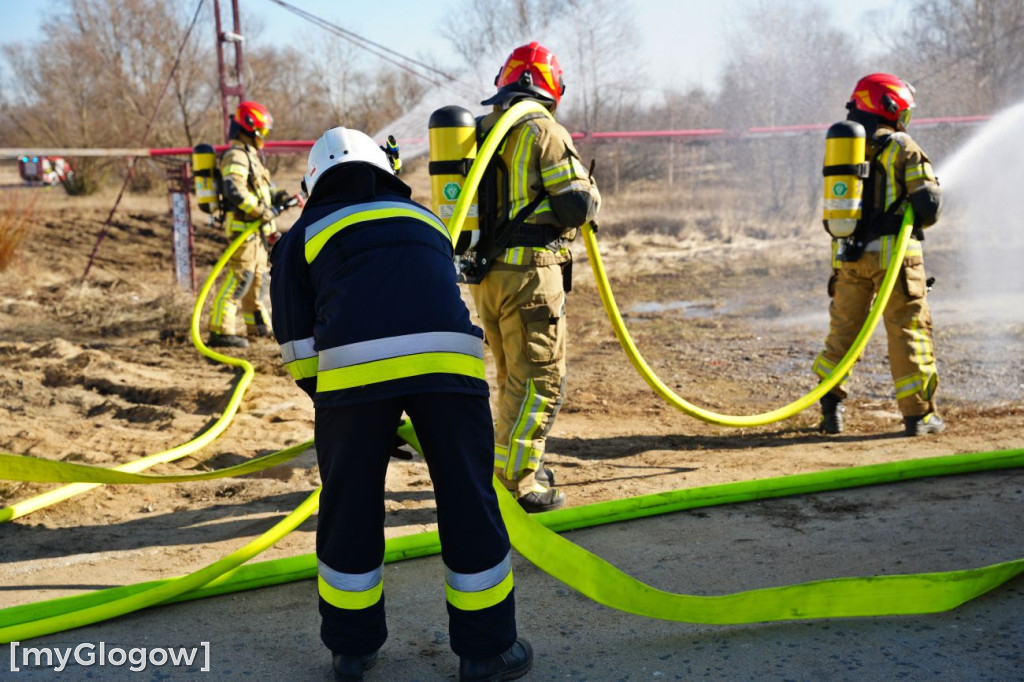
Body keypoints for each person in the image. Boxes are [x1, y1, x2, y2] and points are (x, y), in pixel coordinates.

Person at [269, 126, 532, 681]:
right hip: (452, 368)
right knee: (469, 497)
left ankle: (351, 650)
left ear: (313, 182)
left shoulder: (303, 232)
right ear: (385, 171)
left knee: (350, 504)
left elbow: (296, 345)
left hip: (354, 376)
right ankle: (488, 652)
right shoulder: (426, 219)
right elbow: (430, 298)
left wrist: (341, 405)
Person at [470, 42, 601, 513]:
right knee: (539, 381)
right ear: (550, 86)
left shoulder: (481, 130)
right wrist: (592, 192)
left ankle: (511, 465)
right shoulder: (542, 129)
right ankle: (520, 483)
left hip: (487, 277)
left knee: (510, 378)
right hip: (529, 276)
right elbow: (574, 204)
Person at [813, 73, 945, 437]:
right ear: (890, 107)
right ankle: (919, 417)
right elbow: (929, 208)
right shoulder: (902, 146)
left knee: (843, 333)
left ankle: (830, 410)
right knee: (908, 330)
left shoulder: (845, 149)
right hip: (895, 261)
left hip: (847, 258)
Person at [208, 100, 294, 349]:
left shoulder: (251, 157)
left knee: (257, 279)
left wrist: (280, 198)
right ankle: (221, 331)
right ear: (249, 130)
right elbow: (234, 190)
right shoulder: (236, 155)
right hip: (242, 231)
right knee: (239, 278)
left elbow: (263, 190)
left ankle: (257, 327)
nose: (264, 138)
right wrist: (261, 212)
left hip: (256, 232)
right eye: (262, 132)